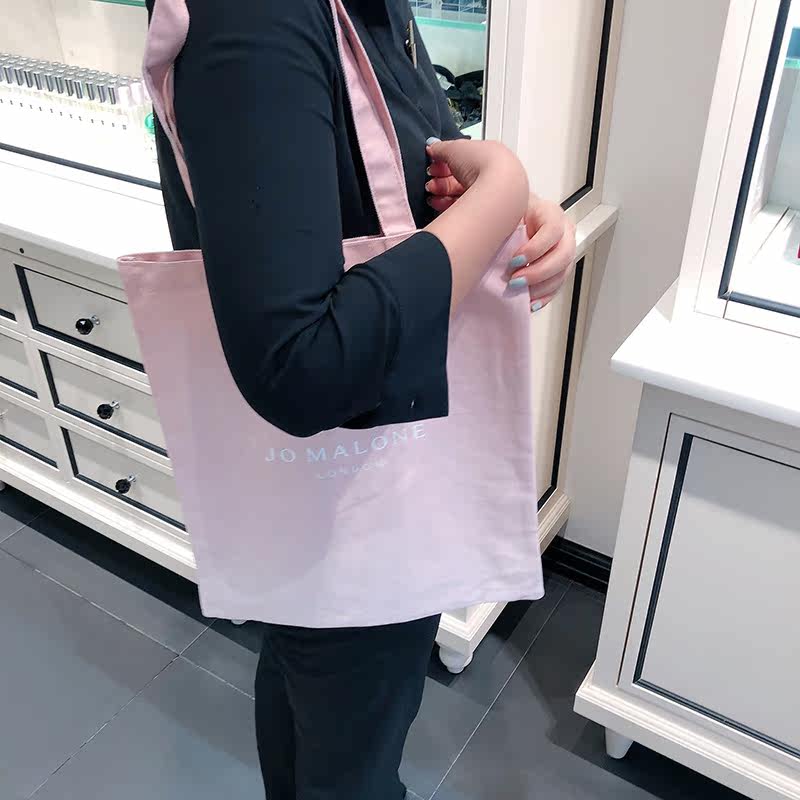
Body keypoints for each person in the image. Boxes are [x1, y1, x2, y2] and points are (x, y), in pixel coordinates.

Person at [144, 0, 576, 797]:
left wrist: (505, 208)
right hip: (354, 484)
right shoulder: (261, 21)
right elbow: (301, 369)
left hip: (353, 478)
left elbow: (414, 181)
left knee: (317, 690)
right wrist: (502, 189)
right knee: (350, 745)